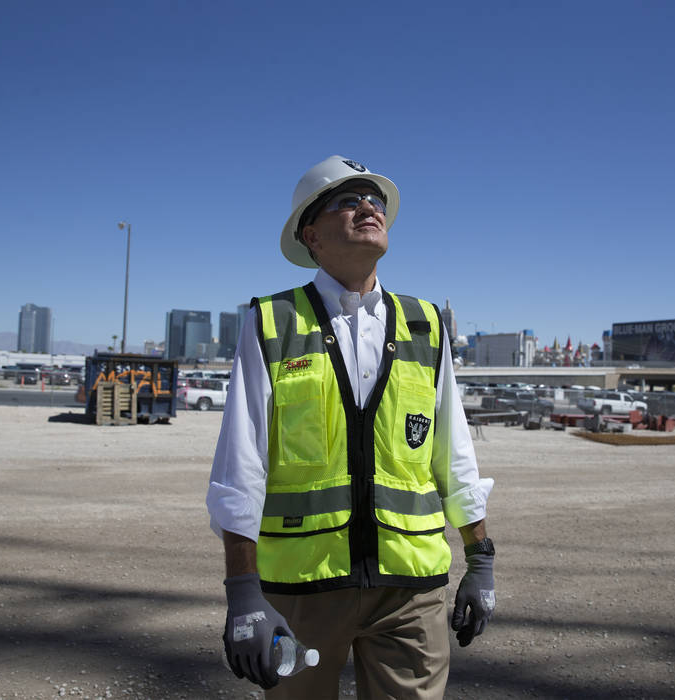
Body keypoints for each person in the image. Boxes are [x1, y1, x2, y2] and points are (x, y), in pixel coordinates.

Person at [206, 155, 496, 699]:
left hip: (412, 590)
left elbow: (454, 456)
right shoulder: (272, 322)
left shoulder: (425, 324)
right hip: (302, 589)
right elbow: (241, 466)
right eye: (348, 200)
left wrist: (480, 561)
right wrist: (243, 593)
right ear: (310, 235)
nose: (368, 208)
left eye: (376, 202)